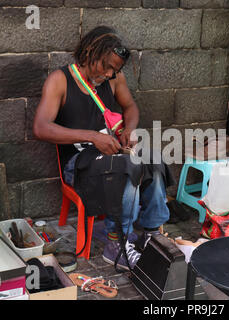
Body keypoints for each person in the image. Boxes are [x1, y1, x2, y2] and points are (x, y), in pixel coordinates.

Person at [33, 26, 172, 270]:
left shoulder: (115, 79)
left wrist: (129, 128)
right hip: (79, 162)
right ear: (89, 53)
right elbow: (41, 128)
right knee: (128, 167)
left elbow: (131, 107)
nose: (109, 74)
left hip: (112, 152)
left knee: (153, 158)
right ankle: (116, 242)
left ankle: (152, 231)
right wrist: (91, 137)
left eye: (114, 70)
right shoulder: (60, 81)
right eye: (106, 66)